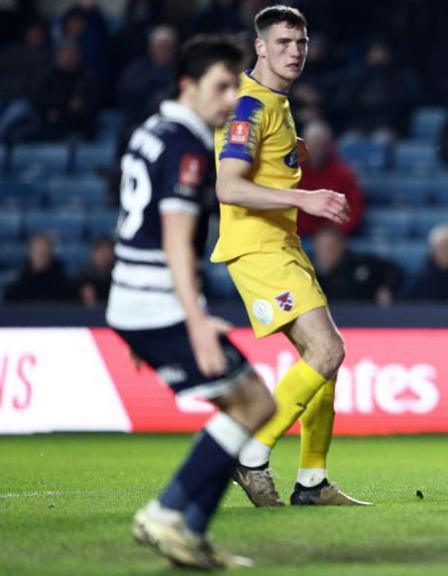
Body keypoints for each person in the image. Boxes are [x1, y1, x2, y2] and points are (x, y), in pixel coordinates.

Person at [104, 35, 273, 570]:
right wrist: (194, 319)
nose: (232, 99)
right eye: (221, 86)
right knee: (254, 404)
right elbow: (175, 237)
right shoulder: (186, 145)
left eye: (236, 86)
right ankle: (168, 513)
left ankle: (191, 535)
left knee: (240, 404)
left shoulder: (149, 132)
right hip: (157, 303)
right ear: (188, 85)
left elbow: (135, 228)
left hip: (138, 300)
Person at [212, 5, 369, 509]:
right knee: (326, 352)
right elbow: (229, 186)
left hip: (281, 244)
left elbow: (256, 166)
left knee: (323, 359)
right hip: (257, 248)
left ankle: (312, 481)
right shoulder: (249, 107)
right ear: (260, 47)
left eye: (300, 42)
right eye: (282, 42)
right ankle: (250, 454)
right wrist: (306, 196)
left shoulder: (273, 104)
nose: (294, 51)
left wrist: (286, 155)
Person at [296, 119, 365, 238]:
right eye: (312, 144)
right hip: (295, 233)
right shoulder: (292, 171)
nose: (316, 149)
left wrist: (335, 231)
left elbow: (353, 209)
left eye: (320, 145)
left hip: (329, 234)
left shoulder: (343, 174)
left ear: (328, 145)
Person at [313, 228, 402, 306]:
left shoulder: (360, 262)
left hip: (367, 315)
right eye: (322, 248)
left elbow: (394, 271)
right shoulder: (311, 272)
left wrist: (386, 288)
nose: (326, 253)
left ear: (342, 245)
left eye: (330, 248)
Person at [116, 25, 177, 126]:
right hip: (139, 122)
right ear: (151, 48)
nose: (164, 51)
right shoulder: (137, 69)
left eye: (168, 48)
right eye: (160, 47)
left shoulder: (179, 69)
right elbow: (126, 94)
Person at [2, 232, 77, 303]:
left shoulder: (66, 287)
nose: (41, 256)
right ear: (30, 254)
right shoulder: (16, 289)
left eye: (44, 253)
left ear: (51, 255)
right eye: (37, 252)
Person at [78, 235, 115, 306]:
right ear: (93, 254)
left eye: (108, 252)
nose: (105, 257)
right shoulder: (83, 278)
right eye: (101, 252)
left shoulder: (117, 277)